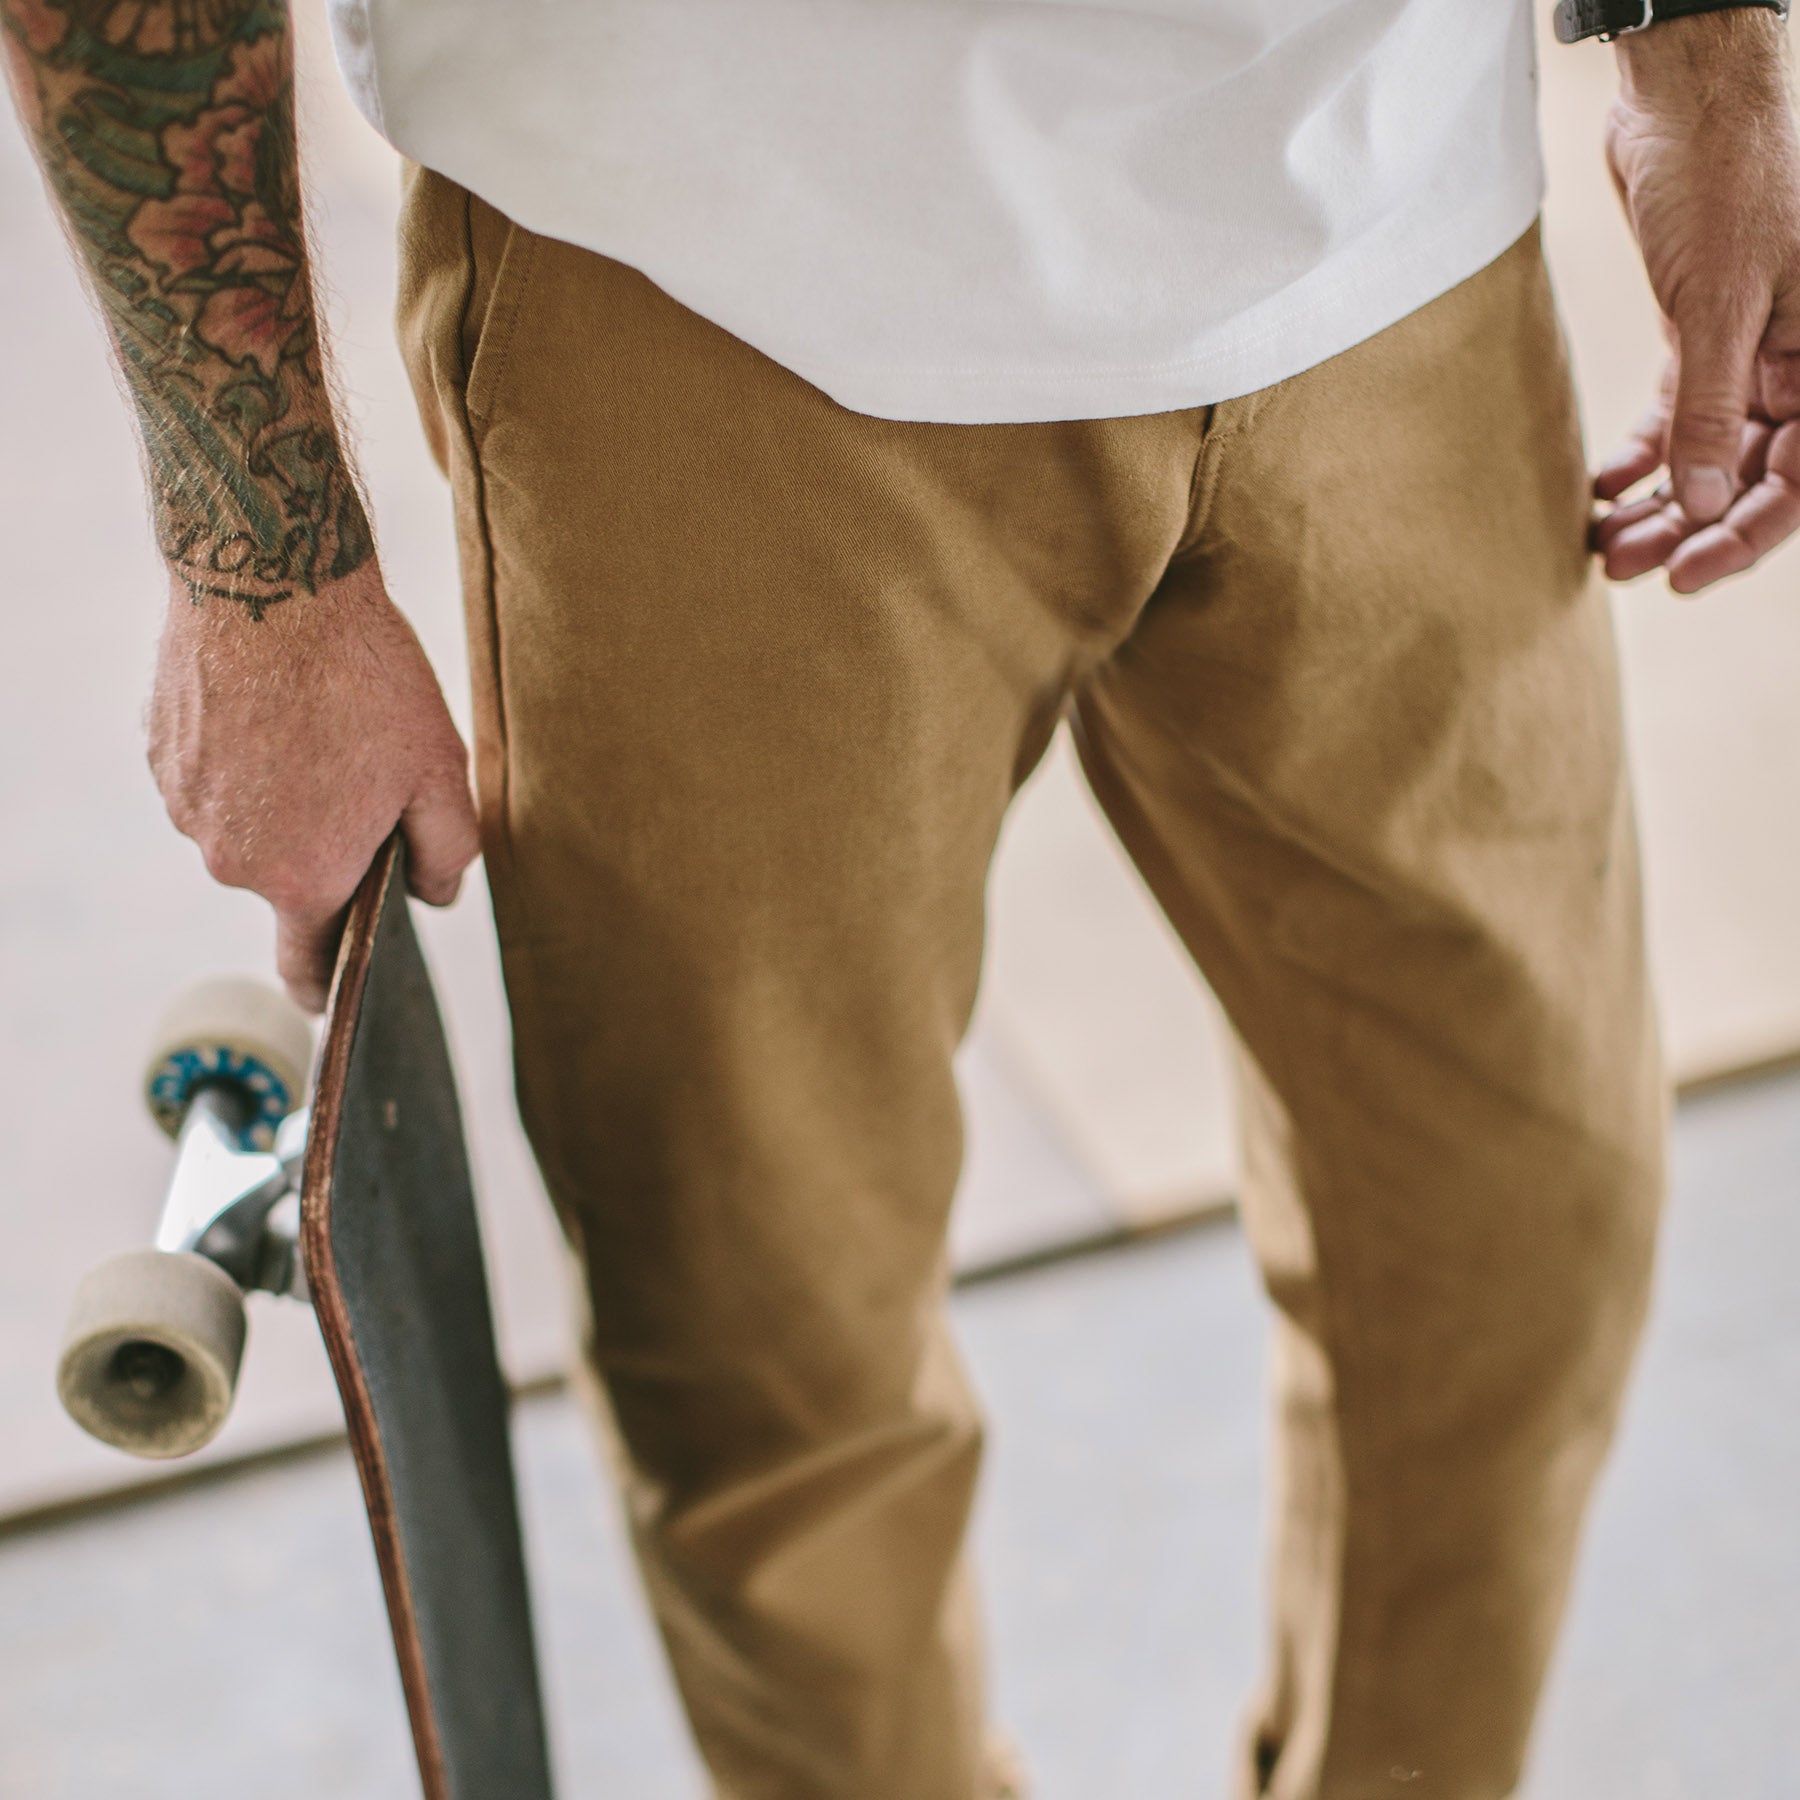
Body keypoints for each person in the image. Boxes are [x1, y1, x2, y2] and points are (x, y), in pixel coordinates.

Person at [4, 0, 1797, 1793]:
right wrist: (264, 570)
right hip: (708, 262)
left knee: (1520, 1225)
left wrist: (1706, 59)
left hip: (1390, 204)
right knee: (772, 1340)